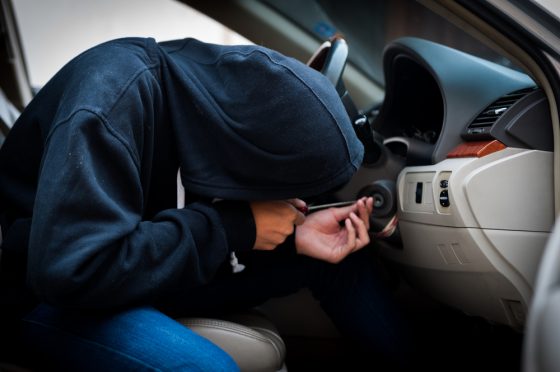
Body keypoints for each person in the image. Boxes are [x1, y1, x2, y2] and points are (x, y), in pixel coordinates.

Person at [0, 37, 406, 370]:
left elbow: (166, 218)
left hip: (119, 274)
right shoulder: (107, 103)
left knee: (337, 260)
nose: (291, 200)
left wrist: (293, 238)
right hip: (43, 295)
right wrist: (235, 227)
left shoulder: (206, 108)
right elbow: (72, 271)